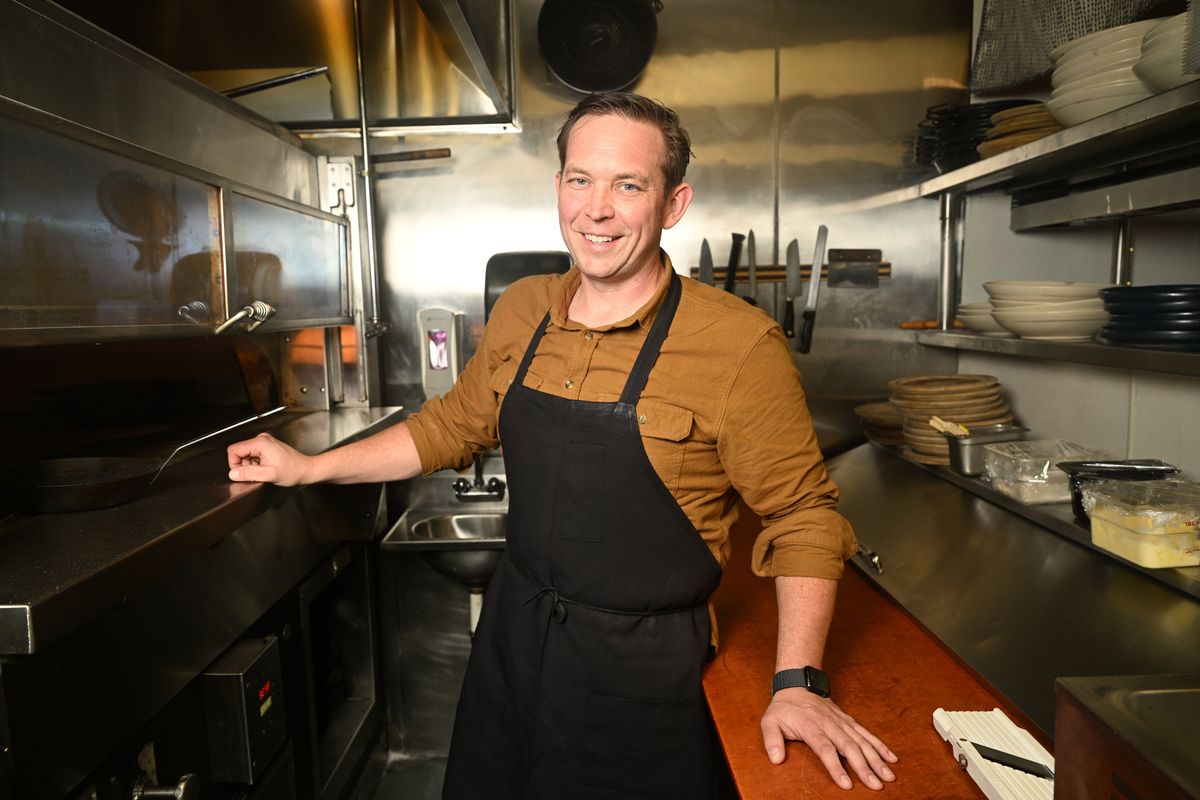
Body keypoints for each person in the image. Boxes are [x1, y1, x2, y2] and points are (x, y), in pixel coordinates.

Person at [227, 91, 897, 797]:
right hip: (513, 645)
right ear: (558, 187)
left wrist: (798, 683)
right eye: (580, 179)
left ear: (674, 204)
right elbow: (450, 426)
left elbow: (803, 517)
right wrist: (308, 466)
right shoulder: (523, 307)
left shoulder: (737, 346)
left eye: (628, 185)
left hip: (641, 672)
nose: (596, 209)